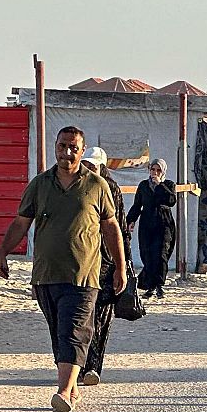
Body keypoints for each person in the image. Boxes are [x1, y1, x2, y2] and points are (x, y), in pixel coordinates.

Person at [0, 126, 126, 412]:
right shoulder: (40, 184)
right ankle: (73, 385)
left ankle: (64, 391)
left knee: (74, 330)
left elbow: (111, 227)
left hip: (84, 274)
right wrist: (2, 252)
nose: (67, 152)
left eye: (73, 148)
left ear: (82, 150)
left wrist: (120, 266)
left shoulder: (97, 185)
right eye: (62, 146)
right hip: (46, 274)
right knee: (59, 331)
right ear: (55, 146)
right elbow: (21, 223)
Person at [79, 148, 131, 388]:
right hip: (83, 260)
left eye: (93, 165)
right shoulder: (77, 185)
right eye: (86, 164)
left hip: (106, 262)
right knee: (83, 314)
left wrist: (124, 264)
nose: (89, 169)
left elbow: (119, 228)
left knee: (102, 316)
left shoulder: (111, 189)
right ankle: (81, 365)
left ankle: (93, 366)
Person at [127, 158, 176, 299]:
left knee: (161, 254)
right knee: (147, 254)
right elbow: (137, 205)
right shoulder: (143, 185)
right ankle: (150, 286)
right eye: (153, 170)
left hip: (163, 223)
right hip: (147, 223)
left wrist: (159, 185)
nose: (155, 173)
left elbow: (171, 200)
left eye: (158, 170)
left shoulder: (168, 184)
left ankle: (159, 285)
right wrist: (131, 220)